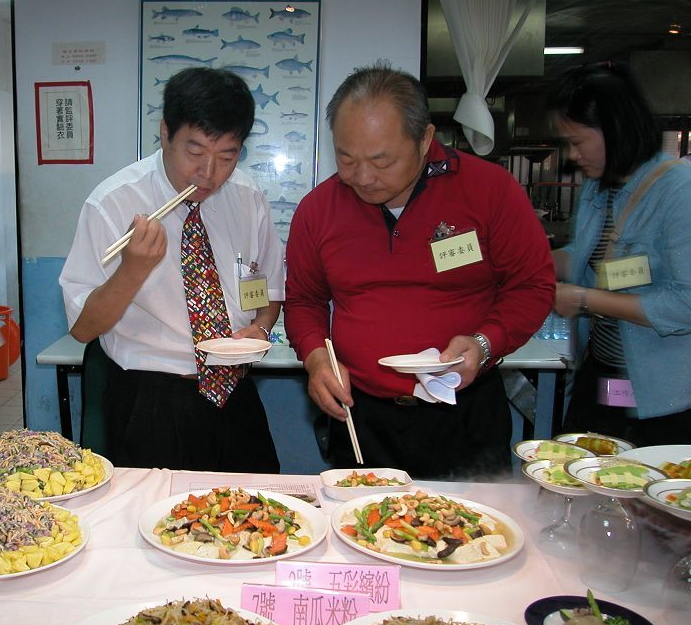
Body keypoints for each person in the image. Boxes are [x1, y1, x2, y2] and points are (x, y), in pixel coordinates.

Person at [285, 65, 555, 479]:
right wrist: (317, 359)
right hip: (363, 415)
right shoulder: (318, 210)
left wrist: (485, 343)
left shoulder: (489, 190)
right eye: (346, 158)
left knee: (469, 521)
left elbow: (533, 286)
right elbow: (305, 300)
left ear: (425, 139)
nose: (362, 177)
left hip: (464, 413)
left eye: (381, 160)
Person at [60, 67, 283, 472]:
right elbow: (83, 328)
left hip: (236, 393)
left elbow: (267, 291)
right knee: (154, 511)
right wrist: (132, 270)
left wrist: (261, 329)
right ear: (165, 132)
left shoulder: (247, 197)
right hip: (151, 401)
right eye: (195, 152)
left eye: (227, 156)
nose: (209, 173)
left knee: (257, 505)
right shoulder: (112, 202)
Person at [548, 61, 691, 445]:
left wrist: (584, 299)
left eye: (577, 142)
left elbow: (686, 303)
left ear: (613, 128)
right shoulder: (601, 187)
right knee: (578, 467)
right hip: (604, 372)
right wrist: (529, 262)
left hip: (665, 394)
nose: (573, 155)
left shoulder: (679, 190)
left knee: (644, 478)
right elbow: (591, 259)